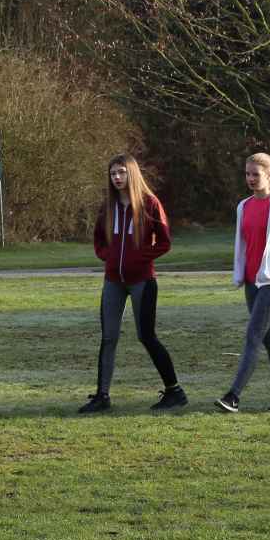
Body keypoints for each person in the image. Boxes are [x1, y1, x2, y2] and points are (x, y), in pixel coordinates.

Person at [83, 153, 183, 413]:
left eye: (121, 172)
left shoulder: (150, 204)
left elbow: (164, 242)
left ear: (132, 173)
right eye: (113, 173)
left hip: (143, 281)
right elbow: (98, 240)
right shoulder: (108, 206)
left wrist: (138, 258)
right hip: (113, 282)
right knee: (108, 337)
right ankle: (102, 396)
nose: (116, 177)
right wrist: (109, 257)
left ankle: (174, 391)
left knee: (146, 336)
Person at [216, 152, 270, 413]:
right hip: (253, 285)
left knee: (253, 336)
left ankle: (233, 396)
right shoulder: (243, 206)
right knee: (269, 339)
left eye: (256, 173)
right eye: (247, 174)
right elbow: (242, 245)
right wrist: (240, 274)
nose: (251, 178)